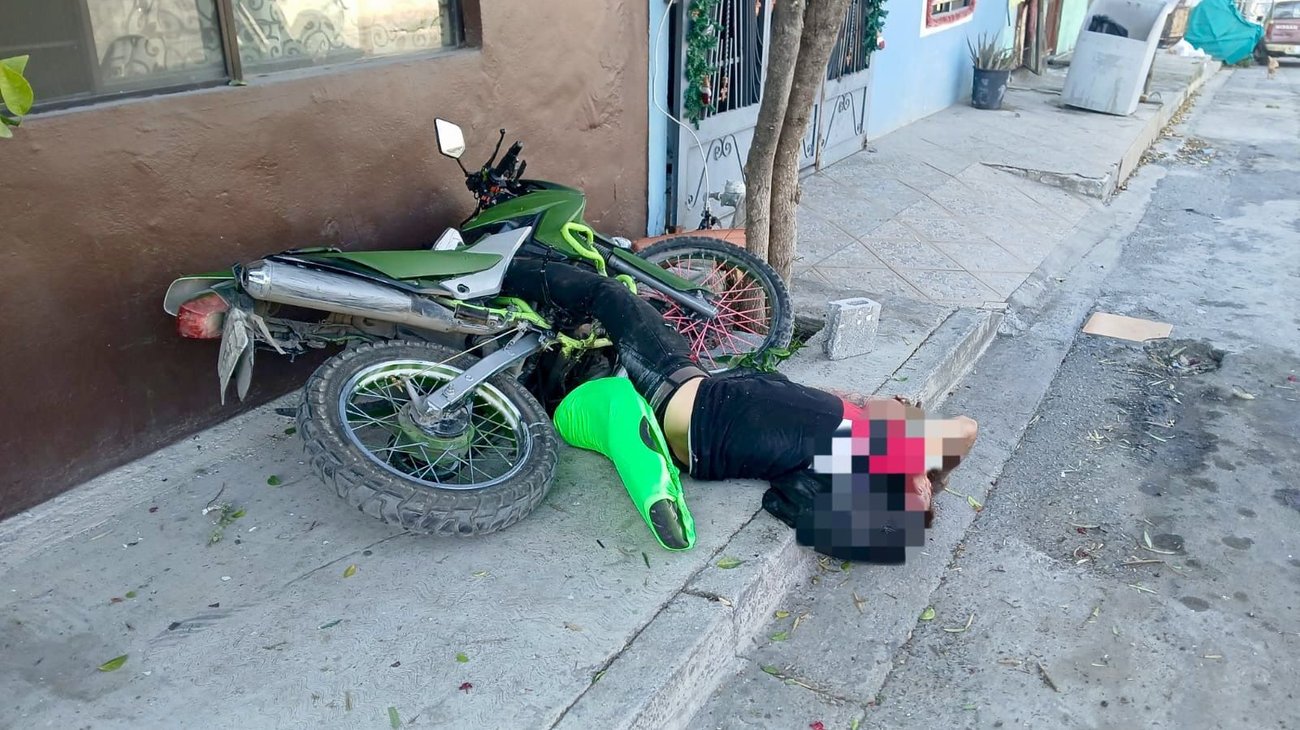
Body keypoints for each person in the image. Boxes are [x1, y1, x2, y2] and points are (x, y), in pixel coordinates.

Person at [501, 255, 979, 562]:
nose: (900, 401)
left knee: (611, 295)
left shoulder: (856, 451)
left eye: (905, 407)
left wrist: (919, 482)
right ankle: (630, 442)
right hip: (694, 425)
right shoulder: (834, 451)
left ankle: (496, 267)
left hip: (683, 391)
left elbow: (962, 434)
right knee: (582, 391)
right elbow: (783, 502)